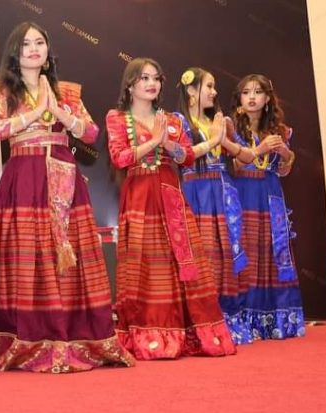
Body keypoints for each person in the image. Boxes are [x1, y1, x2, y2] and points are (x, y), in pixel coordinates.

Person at [0, 22, 134, 373]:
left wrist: (59, 113)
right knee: (29, 254)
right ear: (15, 53)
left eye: (39, 43)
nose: (33, 49)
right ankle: (27, 335)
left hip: (64, 176)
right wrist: (33, 113)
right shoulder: (2, 90)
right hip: (24, 178)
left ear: (47, 51)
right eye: (25, 44)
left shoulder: (67, 92)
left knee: (67, 253)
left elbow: (91, 132)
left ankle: (73, 333)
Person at [105, 58, 236, 360]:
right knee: (146, 267)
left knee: (181, 264)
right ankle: (148, 334)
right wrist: (154, 141)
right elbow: (120, 158)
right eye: (144, 78)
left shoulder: (171, 120)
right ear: (130, 85)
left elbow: (185, 157)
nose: (151, 83)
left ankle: (187, 332)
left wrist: (168, 145)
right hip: (139, 197)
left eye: (156, 78)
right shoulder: (117, 118)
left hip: (170, 195)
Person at [175, 67, 257, 345]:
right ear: (191, 90)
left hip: (222, 195)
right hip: (196, 194)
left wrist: (224, 141)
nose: (214, 92)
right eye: (209, 86)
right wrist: (212, 140)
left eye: (214, 86)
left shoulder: (221, 121)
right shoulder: (179, 122)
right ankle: (202, 320)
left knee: (224, 256)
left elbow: (247, 156)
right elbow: (182, 156)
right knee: (202, 257)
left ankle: (227, 319)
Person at [230, 74, 304, 340]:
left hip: (270, 196)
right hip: (242, 195)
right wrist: (259, 150)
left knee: (272, 253)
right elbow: (231, 167)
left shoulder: (281, 131)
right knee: (244, 253)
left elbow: (283, 171)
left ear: (267, 98)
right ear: (239, 99)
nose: (252, 97)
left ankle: (275, 320)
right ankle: (243, 320)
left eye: (258, 92)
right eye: (246, 92)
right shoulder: (230, 129)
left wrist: (285, 154)